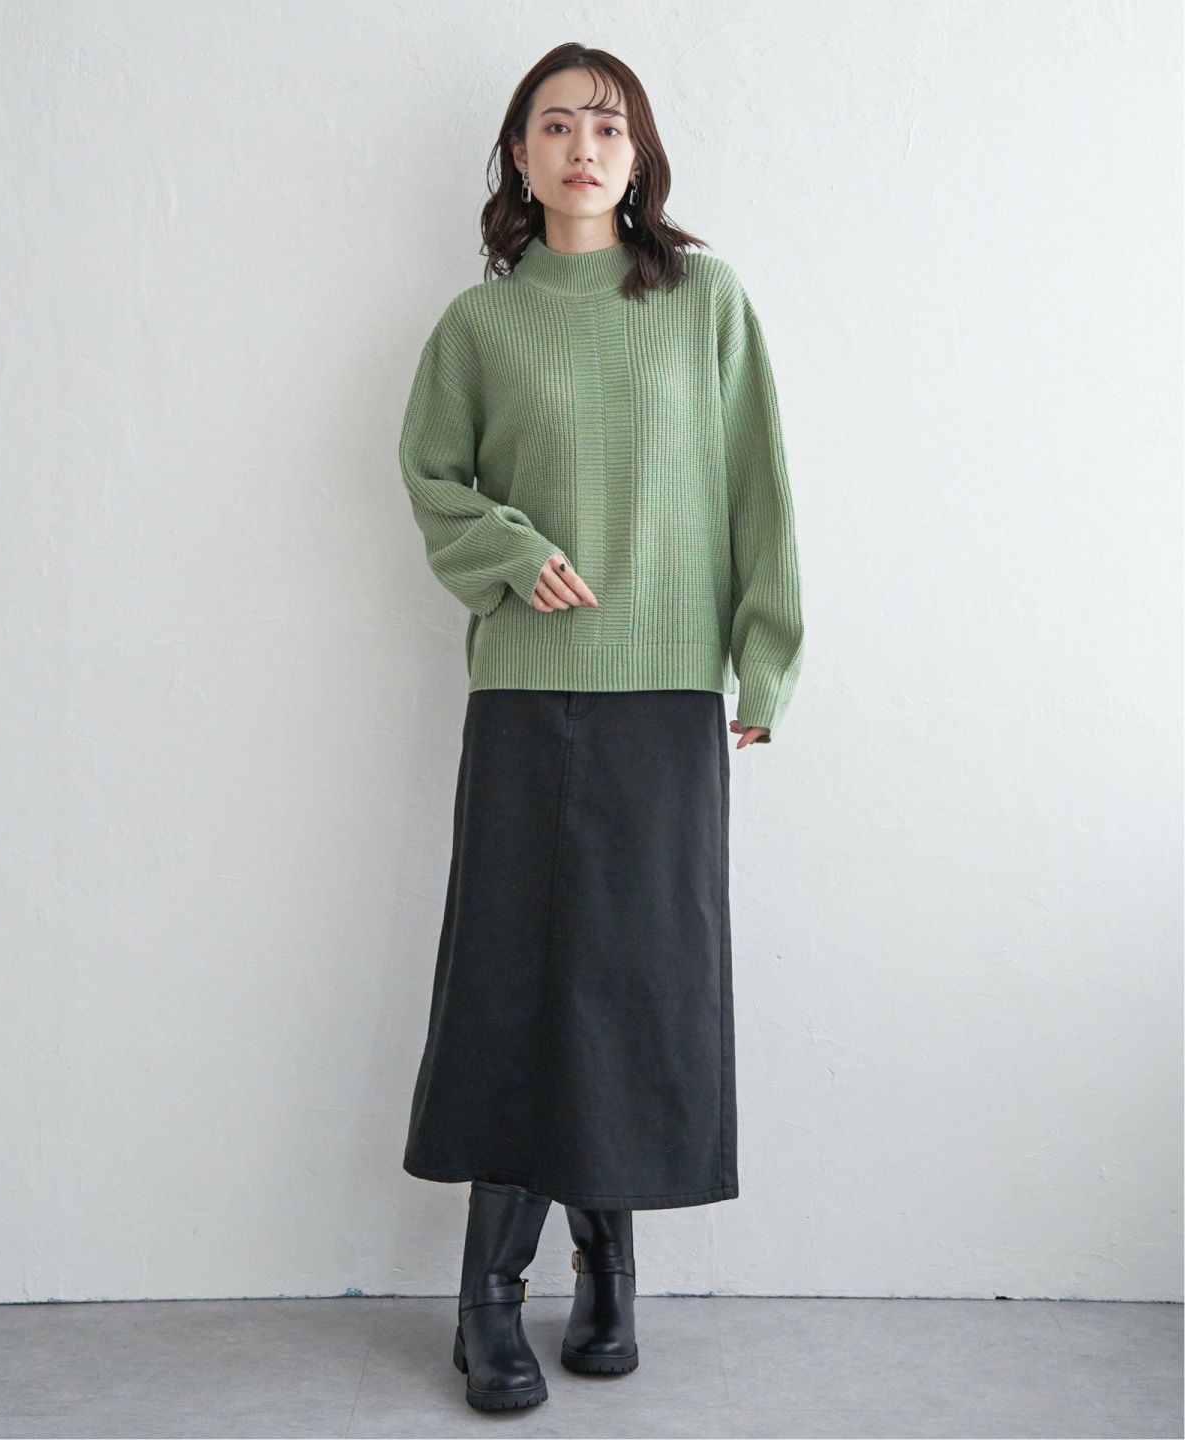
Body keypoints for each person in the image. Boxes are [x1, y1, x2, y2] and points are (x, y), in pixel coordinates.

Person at [396, 41, 804, 1412]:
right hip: (526, 688)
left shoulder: (707, 303)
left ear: (641, 157)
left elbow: (758, 486)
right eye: (558, 125)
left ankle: (608, 1270)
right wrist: (510, 550)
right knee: (514, 980)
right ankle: (487, 1301)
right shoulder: (480, 325)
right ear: (519, 155)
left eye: (609, 127)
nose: (584, 146)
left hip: (669, 688)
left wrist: (765, 657)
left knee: (633, 983)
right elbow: (432, 475)